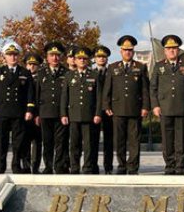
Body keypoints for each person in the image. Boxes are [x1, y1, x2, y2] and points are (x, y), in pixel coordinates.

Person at [102, 35, 150, 175]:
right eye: (125, 50)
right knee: (119, 140)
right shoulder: (112, 67)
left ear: (133, 51)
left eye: (130, 50)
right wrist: (106, 106)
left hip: (135, 110)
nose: (127, 52)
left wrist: (146, 107)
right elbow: (107, 89)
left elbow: (144, 89)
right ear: (121, 51)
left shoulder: (140, 67)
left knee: (134, 141)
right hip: (117, 110)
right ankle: (122, 166)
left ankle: (133, 167)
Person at [150, 35, 184, 175]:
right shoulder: (159, 66)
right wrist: (155, 106)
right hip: (165, 108)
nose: (172, 51)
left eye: (174, 48)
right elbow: (153, 88)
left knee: (181, 140)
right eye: (169, 48)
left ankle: (180, 166)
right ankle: (169, 165)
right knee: (167, 139)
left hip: (182, 108)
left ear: (178, 50)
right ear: (164, 51)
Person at [0, 43, 35, 174]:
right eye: (10, 55)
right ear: (5, 56)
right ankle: (0, 166)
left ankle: (16, 165)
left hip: (19, 113)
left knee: (18, 142)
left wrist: (29, 110)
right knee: (1, 142)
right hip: (2, 112)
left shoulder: (25, 73)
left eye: (15, 55)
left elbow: (30, 94)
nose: (13, 57)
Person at [60, 46, 102, 174]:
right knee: (74, 144)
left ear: (88, 60)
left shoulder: (94, 75)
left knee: (88, 144)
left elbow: (98, 97)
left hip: (89, 115)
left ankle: (88, 167)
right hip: (73, 115)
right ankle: (74, 167)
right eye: (79, 58)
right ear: (75, 60)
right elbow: (64, 96)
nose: (82, 61)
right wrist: (63, 114)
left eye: (84, 58)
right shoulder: (69, 75)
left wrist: (98, 113)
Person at [35, 42, 69, 174]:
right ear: (47, 57)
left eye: (57, 55)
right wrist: (37, 113)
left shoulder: (66, 73)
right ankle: (48, 166)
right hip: (45, 113)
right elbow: (37, 94)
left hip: (61, 113)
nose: (55, 58)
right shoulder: (41, 73)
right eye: (52, 55)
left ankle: (59, 165)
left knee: (61, 142)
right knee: (47, 142)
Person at [92, 45, 114, 174]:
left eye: (103, 57)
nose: (101, 59)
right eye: (99, 56)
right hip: (94, 111)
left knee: (109, 141)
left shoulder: (111, 71)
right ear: (94, 58)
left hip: (108, 110)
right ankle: (93, 165)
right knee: (93, 139)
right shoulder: (90, 72)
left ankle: (108, 166)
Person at [22, 52, 43, 173]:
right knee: (24, 141)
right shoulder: (21, 77)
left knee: (37, 142)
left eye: (34, 64)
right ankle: (25, 165)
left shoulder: (41, 78)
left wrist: (38, 114)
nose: (32, 67)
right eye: (29, 64)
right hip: (24, 114)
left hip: (37, 115)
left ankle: (35, 166)